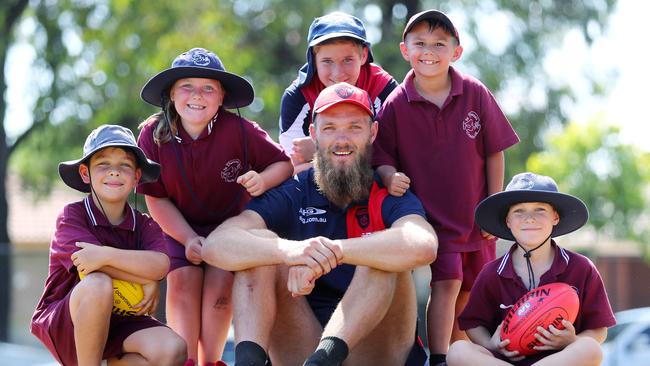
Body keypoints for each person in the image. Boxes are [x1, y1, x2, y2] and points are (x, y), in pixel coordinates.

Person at [202, 82, 438, 366]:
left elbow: (423, 245)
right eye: (329, 129)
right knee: (258, 247)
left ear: (373, 133)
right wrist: (291, 252)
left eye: (354, 127)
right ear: (313, 134)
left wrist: (335, 251)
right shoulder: (295, 191)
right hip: (303, 349)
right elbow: (216, 245)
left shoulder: (389, 190)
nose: (342, 139)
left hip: (377, 353)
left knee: (383, 252)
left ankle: (326, 359)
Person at [371, 9, 520, 365]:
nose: (429, 51)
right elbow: (380, 158)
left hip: (476, 218)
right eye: (420, 43)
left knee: (473, 290)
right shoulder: (396, 105)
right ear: (405, 50)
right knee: (447, 284)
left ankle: (464, 354)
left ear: (457, 51)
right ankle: (437, 357)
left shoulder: (474, 93)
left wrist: (492, 208)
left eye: (440, 44)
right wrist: (391, 177)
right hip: (433, 219)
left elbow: (494, 152)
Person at [138, 47, 293, 366]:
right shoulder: (153, 135)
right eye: (187, 86)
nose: (198, 95)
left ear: (222, 97)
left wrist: (262, 181)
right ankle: (186, 360)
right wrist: (187, 239)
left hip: (229, 228)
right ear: (171, 94)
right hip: (177, 226)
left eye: (208, 87)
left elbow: (283, 164)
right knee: (182, 284)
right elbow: (155, 196)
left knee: (221, 290)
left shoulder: (240, 131)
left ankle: (211, 361)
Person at [30, 124, 186, 366]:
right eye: (103, 164)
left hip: (121, 320)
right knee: (97, 284)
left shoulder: (144, 224)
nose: (114, 172)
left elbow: (160, 265)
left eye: (124, 165)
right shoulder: (73, 216)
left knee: (173, 349)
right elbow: (89, 266)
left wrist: (106, 255)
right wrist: (144, 278)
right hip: (71, 321)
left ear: (136, 177)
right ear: (85, 173)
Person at [446, 172, 616, 365]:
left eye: (540, 210)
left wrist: (572, 341)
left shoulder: (581, 267)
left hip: (560, 360)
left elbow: (599, 330)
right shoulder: (492, 273)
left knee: (590, 348)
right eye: (519, 211)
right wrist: (491, 344)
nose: (529, 218)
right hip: (505, 361)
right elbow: (473, 323)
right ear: (507, 221)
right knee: (458, 350)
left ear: (555, 217)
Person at [279, 11, 398, 174]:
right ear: (313, 59)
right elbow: (291, 168)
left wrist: (318, 148)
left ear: (363, 55)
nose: (338, 73)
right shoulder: (298, 95)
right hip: (314, 187)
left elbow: (394, 152)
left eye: (347, 60)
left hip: (372, 182)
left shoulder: (383, 87)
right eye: (327, 61)